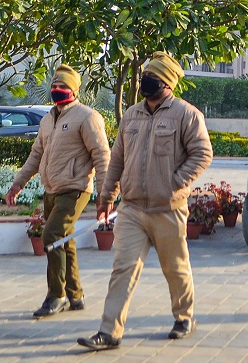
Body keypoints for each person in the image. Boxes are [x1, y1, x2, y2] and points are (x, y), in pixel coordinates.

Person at [78, 52, 213, 351]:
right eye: (145, 75)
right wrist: (106, 196)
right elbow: (117, 160)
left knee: (175, 268)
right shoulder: (131, 115)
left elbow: (202, 154)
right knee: (122, 269)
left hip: (168, 208)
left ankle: (184, 317)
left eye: (152, 76)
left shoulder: (186, 114)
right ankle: (108, 331)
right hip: (133, 209)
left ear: (167, 82)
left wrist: (175, 182)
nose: (145, 80)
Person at [4, 64, 111, 319]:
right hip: (51, 189)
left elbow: (101, 155)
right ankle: (75, 295)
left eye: (62, 86)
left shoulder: (87, 117)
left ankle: (56, 295)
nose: (57, 90)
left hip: (75, 189)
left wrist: (104, 196)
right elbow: (36, 155)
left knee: (52, 236)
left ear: (74, 90)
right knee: (66, 241)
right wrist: (18, 183)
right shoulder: (47, 119)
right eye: (54, 85)